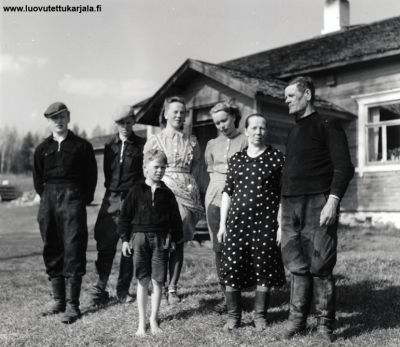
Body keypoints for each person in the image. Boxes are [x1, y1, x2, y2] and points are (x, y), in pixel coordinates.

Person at [279, 76, 354, 342]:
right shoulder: (292, 131)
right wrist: (281, 215)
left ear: (307, 94)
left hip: (318, 201)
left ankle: (324, 325)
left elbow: (344, 167)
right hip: (290, 204)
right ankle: (296, 321)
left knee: (321, 264)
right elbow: (288, 175)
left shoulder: (327, 124)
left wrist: (332, 200)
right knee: (296, 264)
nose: (285, 99)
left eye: (290, 95)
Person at [217, 113, 286, 331]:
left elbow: (283, 195)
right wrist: (222, 225)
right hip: (237, 224)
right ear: (246, 131)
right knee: (232, 266)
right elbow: (227, 193)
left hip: (265, 223)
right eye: (254, 128)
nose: (258, 132)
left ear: (267, 131)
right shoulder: (236, 159)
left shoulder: (277, 158)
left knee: (264, 266)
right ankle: (233, 317)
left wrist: (281, 225)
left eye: (262, 128)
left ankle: (259, 316)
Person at [33, 102, 97, 324]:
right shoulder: (42, 149)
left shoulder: (82, 146)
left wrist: (80, 198)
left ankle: (73, 305)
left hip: (73, 198)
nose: (58, 121)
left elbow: (91, 176)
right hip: (48, 199)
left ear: (68, 117)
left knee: (73, 246)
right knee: (51, 246)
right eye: (54, 118)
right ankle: (58, 300)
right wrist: (48, 197)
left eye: (62, 116)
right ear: (49, 121)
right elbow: (37, 179)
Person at [143, 96, 203, 305]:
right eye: (175, 111)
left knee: (178, 241)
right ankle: (156, 283)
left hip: (187, 193)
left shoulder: (192, 141)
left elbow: (197, 166)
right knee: (159, 240)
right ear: (166, 114)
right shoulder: (156, 140)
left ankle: (173, 288)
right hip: (163, 192)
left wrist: (188, 184)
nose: (179, 115)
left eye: (182, 112)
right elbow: (147, 168)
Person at [118, 149, 183, 335]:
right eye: (156, 167)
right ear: (145, 168)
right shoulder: (135, 191)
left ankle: (154, 320)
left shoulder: (167, 193)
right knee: (143, 279)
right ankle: (141, 323)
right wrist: (124, 239)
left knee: (158, 280)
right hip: (139, 239)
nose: (159, 170)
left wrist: (176, 239)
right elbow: (124, 218)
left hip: (161, 239)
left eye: (163, 167)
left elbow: (175, 219)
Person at [89, 105, 145, 306]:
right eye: (121, 123)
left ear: (133, 121)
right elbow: (108, 173)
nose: (125, 126)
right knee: (105, 242)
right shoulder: (109, 145)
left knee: (128, 246)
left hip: (132, 199)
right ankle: (100, 287)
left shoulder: (141, 145)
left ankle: (123, 291)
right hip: (111, 198)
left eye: (128, 122)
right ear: (116, 124)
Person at [204, 101, 247, 311]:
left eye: (224, 120)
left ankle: (243, 293)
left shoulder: (246, 140)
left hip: (239, 197)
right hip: (214, 197)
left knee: (239, 246)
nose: (221, 125)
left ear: (233, 117)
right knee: (219, 247)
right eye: (217, 123)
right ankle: (226, 297)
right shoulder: (212, 144)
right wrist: (216, 191)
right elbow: (211, 170)